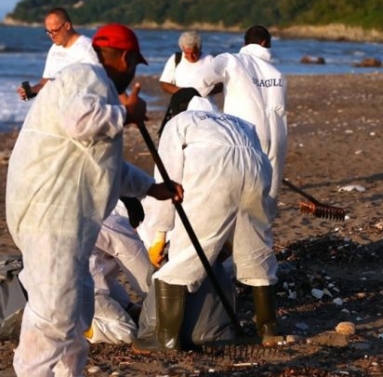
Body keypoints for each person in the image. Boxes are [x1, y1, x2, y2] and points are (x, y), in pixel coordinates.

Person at [6, 23, 184, 376]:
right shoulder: (84, 76)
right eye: (134, 64)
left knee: (76, 315)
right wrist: (127, 114)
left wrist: (152, 188)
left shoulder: (92, 87)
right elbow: (80, 122)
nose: (133, 72)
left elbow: (105, 167)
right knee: (53, 319)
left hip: (69, 219)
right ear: (125, 57)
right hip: (50, 216)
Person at [133, 94, 278, 352]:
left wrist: (160, 235)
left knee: (184, 257)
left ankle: (165, 339)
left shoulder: (181, 121)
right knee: (256, 247)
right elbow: (255, 162)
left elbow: (167, 179)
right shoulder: (240, 122)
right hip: (258, 170)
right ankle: (268, 329)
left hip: (215, 170)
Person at [192, 25, 287, 219]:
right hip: (277, 136)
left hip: (245, 135)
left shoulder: (232, 60)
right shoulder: (277, 74)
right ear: (265, 43)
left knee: (239, 194)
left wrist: (212, 93)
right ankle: (263, 241)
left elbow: (197, 81)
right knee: (268, 199)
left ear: (244, 44)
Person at [85, 203, 153, 345]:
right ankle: (80, 329)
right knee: (128, 334)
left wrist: (128, 306)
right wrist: (158, 301)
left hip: (45, 290)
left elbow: (98, 272)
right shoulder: (116, 224)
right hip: (78, 296)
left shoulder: (85, 213)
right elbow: (141, 269)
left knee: (125, 305)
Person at [16, 7, 98, 100]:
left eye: (55, 31)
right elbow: (45, 83)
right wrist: (31, 91)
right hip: (55, 109)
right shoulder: (54, 48)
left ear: (67, 26)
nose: (52, 36)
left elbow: (102, 85)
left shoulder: (88, 48)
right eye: (48, 32)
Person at [159, 31, 215, 95]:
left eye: (194, 53)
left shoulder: (209, 60)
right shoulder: (176, 59)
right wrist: (183, 93)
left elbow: (220, 85)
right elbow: (164, 83)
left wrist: (201, 92)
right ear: (182, 49)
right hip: (182, 103)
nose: (190, 57)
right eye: (187, 53)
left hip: (204, 103)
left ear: (199, 49)